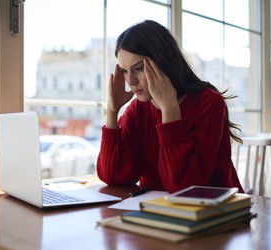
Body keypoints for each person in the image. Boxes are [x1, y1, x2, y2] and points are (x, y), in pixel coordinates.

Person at [96, 20, 244, 194]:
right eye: (124, 71)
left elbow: (183, 186)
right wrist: (112, 112)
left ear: (164, 61)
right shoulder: (138, 109)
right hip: (153, 210)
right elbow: (113, 176)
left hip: (213, 212)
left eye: (138, 68)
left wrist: (168, 108)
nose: (131, 81)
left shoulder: (209, 102)